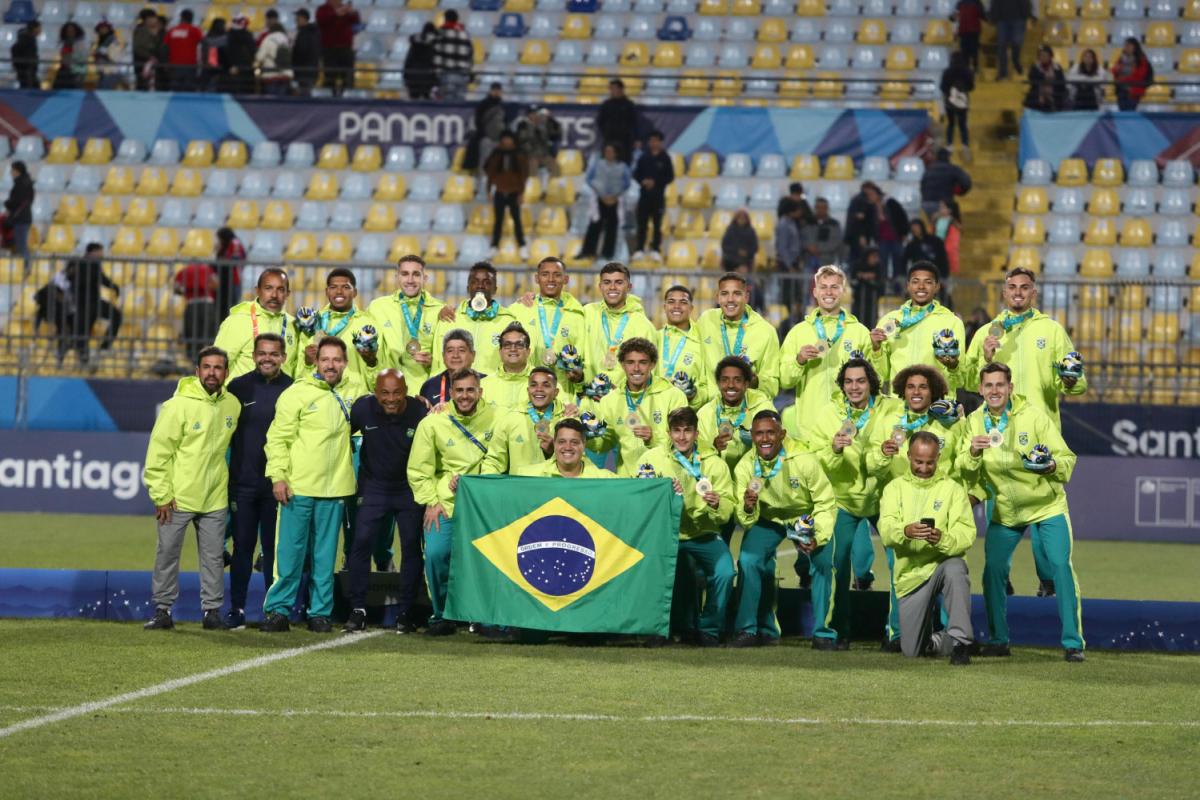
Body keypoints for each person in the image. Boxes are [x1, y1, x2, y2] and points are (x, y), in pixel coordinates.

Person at [958, 362, 1084, 662]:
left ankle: (1073, 643)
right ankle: (999, 640)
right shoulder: (975, 422)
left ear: (1010, 388)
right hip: (1005, 509)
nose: (994, 391)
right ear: (980, 389)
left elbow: (1066, 457)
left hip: (1046, 505)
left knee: (1060, 566)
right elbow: (964, 468)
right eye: (988, 386)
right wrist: (973, 453)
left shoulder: (1034, 416)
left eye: (1000, 385)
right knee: (993, 572)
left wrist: (1052, 466)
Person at [796, 358, 902, 648]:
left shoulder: (892, 409)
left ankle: (898, 633)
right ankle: (833, 631)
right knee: (835, 564)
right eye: (848, 382)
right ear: (842, 385)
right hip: (842, 498)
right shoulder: (828, 414)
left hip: (885, 498)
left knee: (901, 563)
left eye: (860, 381)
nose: (854, 387)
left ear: (871, 383)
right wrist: (832, 449)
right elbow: (814, 459)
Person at [261, 338, 363, 633]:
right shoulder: (296, 394)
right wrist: (278, 476)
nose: (331, 365)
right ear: (316, 362)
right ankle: (279, 611)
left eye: (337, 360)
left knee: (324, 556)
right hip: (298, 487)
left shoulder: (354, 391)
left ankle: (319, 613)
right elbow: (278, 438)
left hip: (335, 490)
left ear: (345, 363)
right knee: (290, 554)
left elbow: (385, 397)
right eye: (325, 359)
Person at [141, 346, 240, 631]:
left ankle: (211, 612)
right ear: (197, 372)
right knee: (168, 553)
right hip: (177, 498)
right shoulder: (177, 405)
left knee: (213, 558)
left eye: (218, 367)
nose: (212, 372)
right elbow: (158, 453)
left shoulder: (231, 405)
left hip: (214, 497)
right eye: (206, 367)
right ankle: (162, 610)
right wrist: (161, 495)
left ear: (226, 373)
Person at [732, 410, 836, 647]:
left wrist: (817, 536)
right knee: (748, 560)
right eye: (759, 434)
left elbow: (825, 501)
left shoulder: (804, 459)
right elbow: (744, 518)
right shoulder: (745, 467)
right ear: (752, 436)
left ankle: (823, 633)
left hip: (804, 517)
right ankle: (748, 630)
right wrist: (748, 508)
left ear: (782, 434)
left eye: (771, 432)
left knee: (822, 563)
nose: (765, 439)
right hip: (768, 519)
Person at [408, 369, 498, 636]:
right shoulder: (432, 422)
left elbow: (499, 459)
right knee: (436, 555)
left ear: (480, 392)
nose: (465, 396)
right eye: (459, 391)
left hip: (482, 505)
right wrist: (431, 502)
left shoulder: (496, 418)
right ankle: (443, 613)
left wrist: (476, 483)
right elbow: (418, 469)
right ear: (451, 393)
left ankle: (481, 615)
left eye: (471, 390)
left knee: (484, 560)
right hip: (444, 504)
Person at [638, 407, 735, 647]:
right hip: (666, 535)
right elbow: (639, 497)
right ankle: (657, 629)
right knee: (651, 571)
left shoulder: (714, 464)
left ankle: (709, 629)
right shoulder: (652, 459)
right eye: (677, 431)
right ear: (668, 432)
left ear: (696, 432)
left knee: (725, 571)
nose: (682, 437)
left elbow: (727, 511)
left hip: (703, 534)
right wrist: (665, 499)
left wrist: (716, 504)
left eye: (687, 431)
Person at [879, 432, 976, 664]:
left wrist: (942, 539)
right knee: (912, 650)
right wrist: (905, 532)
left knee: (956, 568)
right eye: (918, 461)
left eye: (930, 462)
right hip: (911, 575)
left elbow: (966, 533)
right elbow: (885, 529)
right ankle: (936, 641)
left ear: (938, 458)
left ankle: (961, 642)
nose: (924, 467)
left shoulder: (953, 489)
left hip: (941, 563)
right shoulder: (893, 488)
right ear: (909, 456)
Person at [343, 370, 429, 634]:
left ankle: (405, 611)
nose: (391, 399)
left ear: (405, 390)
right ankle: (358, 609)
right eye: (384, 392)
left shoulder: (419, 411)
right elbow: (340, 435)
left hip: (408, 489)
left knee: (411, 548)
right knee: (360, 544)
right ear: (375, 391)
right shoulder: (363, 408)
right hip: (374, 487)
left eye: (397, 392)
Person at [223, 333, 292, 630]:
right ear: (253, 356)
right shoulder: (237, 388)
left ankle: (272, 610)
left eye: (274, 354)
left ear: (284, 357)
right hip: (243, 482)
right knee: (242, 548)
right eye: (262, 353)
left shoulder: (293, 389)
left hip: (278, 485)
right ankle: (236, 609)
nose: (268, 358)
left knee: (273, 551)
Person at [961, 267, 1086, 429]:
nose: (1018, 292)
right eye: (1012, 287)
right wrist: (986, 360)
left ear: (1033, 293)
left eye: (1024, 287)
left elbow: (1078, 384)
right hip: (1000, 431)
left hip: (1041, 430)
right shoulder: (985, 333)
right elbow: (970, 384)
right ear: (1004, 293)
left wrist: (1070, 382)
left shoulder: (1052, 331)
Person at [780, 265, 874, 429]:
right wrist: (799, 360)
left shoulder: (860, 332)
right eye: (823, 287)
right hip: (810, 428)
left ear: (843, 291)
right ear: (815, 292)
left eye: (834, 287)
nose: (829, 293)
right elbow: (785, 381)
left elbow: (873, 381)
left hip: (849, 427)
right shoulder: (798, 332)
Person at [587, 337, 688, 475]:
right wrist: (589, 435)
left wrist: (653, 439)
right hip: (628, 482)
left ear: (652, 364)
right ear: (622, 364)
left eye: (643, 362)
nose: (636, 368)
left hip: (663, 480)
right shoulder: (610, 400)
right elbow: (603, 445)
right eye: (630, 362)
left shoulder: (673, 396)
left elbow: (684, 442)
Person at [869, 261, 965, 391]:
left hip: (936, 406)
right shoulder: (889, 320)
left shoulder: (952, 322)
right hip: (900, 405)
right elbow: (881, 375)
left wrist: (953, 366)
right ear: (907, 286)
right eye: (915, 281)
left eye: (928, 282)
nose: (921, 286)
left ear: (937, 287)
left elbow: (959, 380)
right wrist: (876, 350)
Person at [367, 254, 448, 391]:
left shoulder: (439, 310)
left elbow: (447, 356)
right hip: (388, 392)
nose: (410, 280)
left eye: (416, 274)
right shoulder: (377, 307)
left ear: (425, 278)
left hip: (422, 393)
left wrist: (432, 362)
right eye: (405, 274)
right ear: (397, 277)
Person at [506, 257, 587, 392]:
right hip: (524, 394)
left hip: (563, 396)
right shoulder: (518, 310)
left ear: (566, 279)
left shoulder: (577, 315)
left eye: (557, 275)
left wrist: (578, 375)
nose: (551, 279)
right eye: (545, 274)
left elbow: (583, 359)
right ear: (537, 278)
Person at [292, 269, 379, 393]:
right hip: (318, 398)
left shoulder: (368, 324)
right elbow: (299, 375)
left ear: (355, 292)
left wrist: (371, 362)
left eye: (345, 287)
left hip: (354, 397)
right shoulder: (312, 323)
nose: (339, 291)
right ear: (327, 292)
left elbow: (378, 373)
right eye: (333, 287)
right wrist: (307, 362)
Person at [696, 272, 781, 397]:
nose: (730, 299)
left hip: (746, 411)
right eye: (724, 294)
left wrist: (754, 380)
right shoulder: (705, 321)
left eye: (737, 294)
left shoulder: (765, 331)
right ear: (717, 297)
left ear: (746, 297)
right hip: (712, 410)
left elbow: (772, 386)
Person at [482, 366, 576, 474]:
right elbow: (494, 461)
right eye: (533, 385)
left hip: (554, 488)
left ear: (556, 392)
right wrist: (484, 484)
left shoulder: (569, 420)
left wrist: (554, 451)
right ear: (528, 390)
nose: (539, 389)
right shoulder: (511, 418)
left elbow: (578, 463)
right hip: (520, 488)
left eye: (546, 385)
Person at [432, 261, 515, 377]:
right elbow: (438, 364)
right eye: (474, 282)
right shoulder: (449, 318)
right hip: (455, 392)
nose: (480, 286)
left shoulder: (508, 323)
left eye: (487, 282)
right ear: (468, 287)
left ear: (495, 289)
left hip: (491, 392)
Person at [581, 262, 657, 387]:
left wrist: (621, 393)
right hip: (588, 395)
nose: (612, 287)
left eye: (619, 282)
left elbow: (649, 370)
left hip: (624, 400)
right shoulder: (587, 313)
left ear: (629, 286)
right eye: (607, 282)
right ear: (600, 286)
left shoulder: (643, 325)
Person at [214, 267, 297, 381]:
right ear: (257, 291)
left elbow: (296, 370)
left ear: (287, 294)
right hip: (242, 397)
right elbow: (217, 364)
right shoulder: (237, 321)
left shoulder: (294, 325)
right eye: (268, 288)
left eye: (280, 289)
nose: (274, 295)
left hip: (282, 397)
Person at [60, 242, 122, 367]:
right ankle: (81, 359)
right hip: (80, 304)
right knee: (83, 333)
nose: (102, 254)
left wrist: (114, 287)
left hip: (94, 302)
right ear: (93, 251)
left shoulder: (95, 265)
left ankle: (104, 346)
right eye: (100, 251)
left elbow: (102, 279)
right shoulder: (77, 262)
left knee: (116, 315)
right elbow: (66, 276)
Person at [845, 181, 908, 290]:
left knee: (898, 264)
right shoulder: (870, 209)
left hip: (896, 239)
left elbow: (902, 218)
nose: (870, 197)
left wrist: (903, 233)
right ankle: (883, 287)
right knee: (882, 264)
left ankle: (898, 288)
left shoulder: (891, 203)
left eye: (872, 194)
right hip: (882, 240)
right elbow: (866, 225)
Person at [657, 284, 710, 410]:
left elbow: (708, 387)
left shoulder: (702, 342)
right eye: (671, 302)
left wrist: (693, 394)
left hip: (687, 416)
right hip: (656, 412)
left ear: (691, 308)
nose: (676, 306)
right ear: (664, 307)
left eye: (683, 302)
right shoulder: (654, 338)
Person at [575, 143, 631, 261]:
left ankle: (608, 253)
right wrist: (599, 192)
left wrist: (616, 195)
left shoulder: (622, 167)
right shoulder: (597, 165)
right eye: (606, 151)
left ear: (616, 153)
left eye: (610, 151)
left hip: (614, 200)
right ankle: (588, 251)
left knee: (612, 226)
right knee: (594, 225)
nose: (608, 153)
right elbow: (589, 178)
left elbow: (627, 183)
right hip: (600, 199)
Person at [516, 418, 616, 478]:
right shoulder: (527, 476)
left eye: (574, 442)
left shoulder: (606, 480)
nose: (567, 447)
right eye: (562, 442)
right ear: (554, 443)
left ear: (584, 444)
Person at [483, 131, 529, 260]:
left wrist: (521, 193)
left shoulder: (519, 155)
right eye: (505, 139)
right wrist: (488, 191)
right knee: (498, 221)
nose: (507, 141)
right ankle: (494, 246)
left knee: (517, 220)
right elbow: (490, 173)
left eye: (509, 139)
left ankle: (522, 246)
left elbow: (523, 176)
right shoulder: (496, 154)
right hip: (499, 191)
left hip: (514, 192)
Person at [631, 130, 674, 262]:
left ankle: (655, 249)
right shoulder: (644, 157)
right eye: (651, 140)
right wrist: (643, 181)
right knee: (642, 224)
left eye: (656, 140)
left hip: (658, 197)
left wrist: (655, 182)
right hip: (644, 196)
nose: (653, 143)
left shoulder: (665, 158)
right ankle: (639, 249)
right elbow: (636, 174)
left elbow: (670, 177)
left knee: (657, 224)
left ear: (660, 142)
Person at [480, 323, 535, 411]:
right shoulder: (483, 385)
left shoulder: (544, 383)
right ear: (500, 351)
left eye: (519, 345)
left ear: (528, 351)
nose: (513, 349)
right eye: (507, 345)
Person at [420, 329, 481, 408]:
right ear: (443, 356)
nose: (455, 355)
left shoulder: (486, 382)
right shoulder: (430, 386)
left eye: (461, 350)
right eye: (450, 351)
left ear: (473, 355)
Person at [316, 0, 359, 96]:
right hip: (329, 49)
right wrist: (335, 14)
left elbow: (355, 20)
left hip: (345, 49)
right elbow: (321, 20)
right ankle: (329, 97)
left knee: (347, 76)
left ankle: (347, 96)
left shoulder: (345, 9)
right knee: (330, 76)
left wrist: (352, 12)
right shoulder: (322, 9)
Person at [920, 148, 972, 221]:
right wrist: (959, 192)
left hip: (926, 204)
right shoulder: (952, 169)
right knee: (951, 226)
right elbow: (966, 183)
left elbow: (922, 186)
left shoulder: (928, 169)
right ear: (948, 157)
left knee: (933, 227)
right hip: (943, 205)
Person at [940, 53, 975, 159]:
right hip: (963, 101)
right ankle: (965, 145)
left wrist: (949, 93)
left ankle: (950, 145)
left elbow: (942, 87)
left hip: (949, 101)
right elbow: (971, 87)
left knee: (951, 124)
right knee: (963, 124)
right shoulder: (967, 72)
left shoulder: (947, 72)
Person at [596, 78, 638, 164]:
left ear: (621, 89)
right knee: (607, 164)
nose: (612, 91)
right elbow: (600, 121)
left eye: (614, 88)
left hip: (625, 141)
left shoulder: (629, 105)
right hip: (609, 139)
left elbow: (634, 122)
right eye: (611, 89)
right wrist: (606, 132)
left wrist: (634, 137)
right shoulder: (606, 104)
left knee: (624, 164)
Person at [432, 9, 471, 101]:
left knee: (448, 104)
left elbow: (437, 56)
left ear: (445, 19)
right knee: (460, 103)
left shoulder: (441, 33)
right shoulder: (464, 34)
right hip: (462, 74)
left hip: (447, 73)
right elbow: (469, 54)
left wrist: (437, 73)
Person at [990, 0, 1031, 80]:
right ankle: (1002, 73)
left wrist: (1027, 16)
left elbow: (1025, 2)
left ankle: (1016, 62)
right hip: (1002, 19)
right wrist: (993, 17)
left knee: (1016, 43)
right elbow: (995, 2)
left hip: (1018, 18)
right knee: (1002, 45)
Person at [516, 106, 561, 178]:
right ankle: (533, 188)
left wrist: (551, 120)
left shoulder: (543, 125)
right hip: (530, 155)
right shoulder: (523, 125)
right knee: (532, 170)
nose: (534, 116)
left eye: (536, 113)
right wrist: (531, 152)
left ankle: (552, 187)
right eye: (532, 113)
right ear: (528, 115)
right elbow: (522, 141)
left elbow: (555, 135)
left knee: (556, 168)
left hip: (544, 154)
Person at [774, 199, 805, 305]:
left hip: (794, 263)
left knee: (796, 294)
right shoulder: (783, 225)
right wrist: (789, 265)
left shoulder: (792, 223)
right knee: (787, 294)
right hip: (786, 264)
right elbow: (782, 248)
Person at [473, 83, 507, 179]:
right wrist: (483, 135)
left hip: (498, 138)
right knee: (485, 161)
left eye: (498, 90)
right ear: (490, 91)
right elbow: (478, 121)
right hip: (487, 138)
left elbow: (504, 121)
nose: (496, 92)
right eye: (494, 90)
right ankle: (482, 184)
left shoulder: (502, 105)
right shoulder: (483, 104)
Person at [801, 198, 844, 271]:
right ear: (815, 208)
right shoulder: (808, 223)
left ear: (827, 208)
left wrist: (818, 249)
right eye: (818, 207)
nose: (820, 210)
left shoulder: (834, 224)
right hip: (808, 260)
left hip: (827, 261)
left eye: (823, 207)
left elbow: (836, 242)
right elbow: (803, 238)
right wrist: (809, 246)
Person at [903, 220, 950, 287]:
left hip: (936, 273)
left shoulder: (935, 241)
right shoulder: (911, 245)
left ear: (921, 227)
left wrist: (944, 275)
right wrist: (905, 276)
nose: (915, 230)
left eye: (917, 227)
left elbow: (943, 258)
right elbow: (904, 260)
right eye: (913, 229)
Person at [165, 9, 203, 91]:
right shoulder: (195, 30)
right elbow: (204, 43)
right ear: (192, 18)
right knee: (189, 93)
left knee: (174, 91)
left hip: (173, 65)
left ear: (181, 17)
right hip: (190, 65)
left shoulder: (172, 30)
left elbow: (165, 47)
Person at [213, 227, 245, 320]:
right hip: (224, 282)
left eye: (220, 238)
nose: (219, 240)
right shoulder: (223, 246)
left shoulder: (235, 243)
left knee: (231, 307)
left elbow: (233, 260)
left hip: (233, 280)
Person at [1112, 37, 1152, 112]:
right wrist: (1117, 71)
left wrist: (1123, 79)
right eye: (1125, 45)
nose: (1126, 47)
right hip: (1121, 90)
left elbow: (1139, 76)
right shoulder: (1121, 58)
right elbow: (1114, 70)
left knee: (1130, 113)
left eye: (1128, 45)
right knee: (1122, 113)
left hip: (1133, 91)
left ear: (1135, 47)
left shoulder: (1141, 59)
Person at [255, 18, 293, 95]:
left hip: (270, 75)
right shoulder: (286, 39)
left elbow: (259, 57)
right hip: (285, 74)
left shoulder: (267, 39)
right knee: (283, 101)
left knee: (272, 102)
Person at [5, 161, 33, 261]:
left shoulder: (20, 184)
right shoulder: (27, 182)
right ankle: (24, 266)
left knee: (21, 245)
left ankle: (25, 267)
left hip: (20, 218)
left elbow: (16, 201)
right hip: (24, 217)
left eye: (13, 170)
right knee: (21, 244)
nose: (11, 172)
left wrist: (7, 203)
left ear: (18, 171)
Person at [1024, 46, 1067, 112]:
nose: (1043, 57)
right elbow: (1032, 79)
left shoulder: (1057, 68)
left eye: (1045, 55)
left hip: (1054, 97)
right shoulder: (1035, 67)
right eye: (1041, 55)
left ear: (1050, 56)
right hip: (1037, 98)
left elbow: (1061, 83)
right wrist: (1045, 76)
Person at [850, 247, 884, 329]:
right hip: (859, 302)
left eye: (877, 257)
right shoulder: (857, 265)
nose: (876, 259)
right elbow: (853, 282)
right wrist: (862, 277)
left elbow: (881, 284)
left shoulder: (879, 267)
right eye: (873, 256)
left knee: (871, 324)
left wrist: (869, 279)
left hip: (872, 303)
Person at [403, 22, 436, 100]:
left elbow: (408, 60)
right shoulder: (432, 45)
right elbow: (433, 62)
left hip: (413, 76)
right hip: (427, 77)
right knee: (427, 103)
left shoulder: (414, 43)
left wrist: (406, 76)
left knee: (413, 101)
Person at [132, 9, 164, 91]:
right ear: (147, 19)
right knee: (143, 86)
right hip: (143, 63)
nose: (156, 20)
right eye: (153, 17)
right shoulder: (141, 30)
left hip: (151, 64)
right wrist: (150, 56)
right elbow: (138, 47)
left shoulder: (155, 30)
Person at [223, 14, 256, 94]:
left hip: (234, 70)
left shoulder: (229, 35)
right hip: (247, 70)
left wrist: (230, 66)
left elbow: (227, 52)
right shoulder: (249, 35)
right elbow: (253, 52)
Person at [291, 9, 321, 95]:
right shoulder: (313, 32)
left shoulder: (305, 33)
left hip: (304, 71)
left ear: (304, 18)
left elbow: (301, 51)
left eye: (298, 17)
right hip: (310, 71)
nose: (296, 19)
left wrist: (293, 60)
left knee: (304, 97)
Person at [52, 22, 87, 89]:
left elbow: (81, 59)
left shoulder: (80, 43)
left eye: (72, 31)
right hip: (63, 71)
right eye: (68, 31)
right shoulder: (64, 43)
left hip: (75, 72)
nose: (70, 33)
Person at [953, 0, 985, 72]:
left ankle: (965, 69)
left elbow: (955, 17)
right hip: (974, 30)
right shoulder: (977, 3)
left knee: (964, 52)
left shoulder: (960, 3)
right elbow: (982, 15)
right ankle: (975, 68)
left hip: (963, 30)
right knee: (974, 51)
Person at [93, 19, 125, 90]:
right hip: (103, 72)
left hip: (111, 72)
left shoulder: (114, 42)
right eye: (100, 29)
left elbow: (115, 58)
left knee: (104, 92)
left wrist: (101, 54)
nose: (102, 30)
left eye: (105, 28)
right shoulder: (101, 43)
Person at [933, 199, 962, 278]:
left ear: (949, 210)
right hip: (937, 250)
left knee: (948, 276)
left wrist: (944, 250)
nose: (940, 210)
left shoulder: (954, 224)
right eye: (940, 207)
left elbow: (953, 242)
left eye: (943, 207)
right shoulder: (937, 220)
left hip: (947, 252)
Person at [199, 18, 228, 93]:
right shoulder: (226, 38)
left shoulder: (207, 38)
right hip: (219, 68)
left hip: (209, 67)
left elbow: (203, 53)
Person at [12, 20, 40, 88]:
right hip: (27, 72)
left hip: (27, 71)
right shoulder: (28, 39)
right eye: (39, 28)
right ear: (34, 28)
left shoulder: (28, 38)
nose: (40, 30)